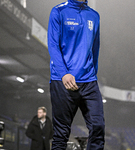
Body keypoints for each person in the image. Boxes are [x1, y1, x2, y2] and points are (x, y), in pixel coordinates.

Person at [48, 0, 105, 149]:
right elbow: (53, 45)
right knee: (61, 134)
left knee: (98, 127)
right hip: (63, 82)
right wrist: (64, 73)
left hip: (89, 82)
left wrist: (93, 72)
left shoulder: (94, 15)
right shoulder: (58, 12)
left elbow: (95, 48)